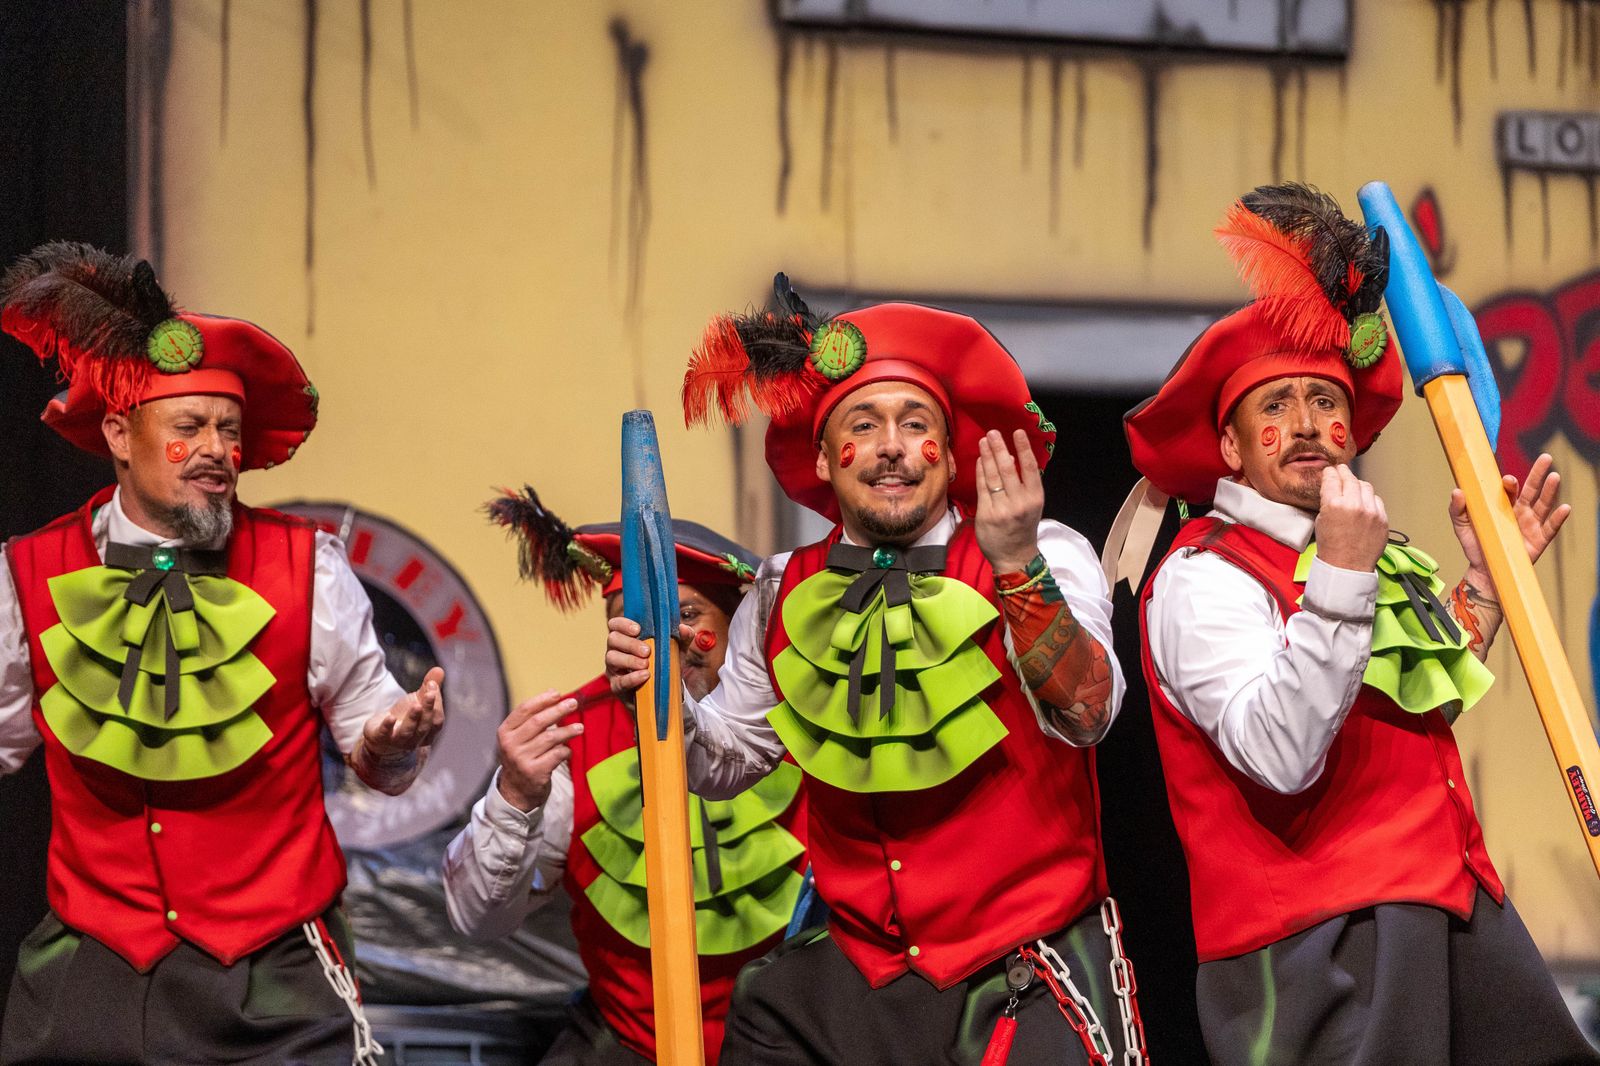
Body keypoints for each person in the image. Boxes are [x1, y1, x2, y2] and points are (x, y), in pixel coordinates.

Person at [606, 277, 1145, 1065]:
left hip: (1028, 964)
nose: (892, 445)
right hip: (861, 974)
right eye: (865, 424)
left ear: (950, 453)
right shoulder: (778, 589)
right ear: (825, 459)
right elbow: (729, 761)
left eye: (914, 422)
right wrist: (667, 704)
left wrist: (1017, 565)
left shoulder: (1048, 549)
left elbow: (1090, 714)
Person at [1122, 183, 1596, 1064]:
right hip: (1319, 948)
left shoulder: (1356, 549)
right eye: (1276, 407)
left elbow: (1403, 710)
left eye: (1326, 402)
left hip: (1454, 911)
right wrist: (1342, 571)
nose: (1309, 427)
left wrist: (1488, 583)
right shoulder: (1201, 578)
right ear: (1229, 447)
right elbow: (1280, 754)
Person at [0, 243, 444, 1066]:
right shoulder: (29, 575)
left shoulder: (309, 569)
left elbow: (378, 749)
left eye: (230, 431)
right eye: (191, 427)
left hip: (271, 976)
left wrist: (393, 742)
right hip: (94, 965)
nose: (217, 450)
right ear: (118, 433)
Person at [442, 486, 807, 1065]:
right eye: (632, 622)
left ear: (737, 627)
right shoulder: (573, 738)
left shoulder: (800, 715)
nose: (661, 641)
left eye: (686, 615)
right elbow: (477, 918)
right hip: (627, 1043)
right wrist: (516, 795)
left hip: (785, 1045)